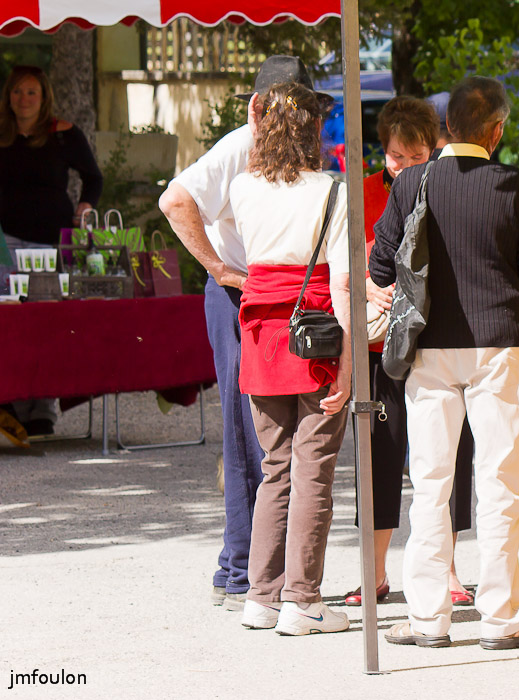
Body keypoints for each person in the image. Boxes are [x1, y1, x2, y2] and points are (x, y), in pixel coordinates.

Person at [369, 76, 519, 649]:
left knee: (430, 484)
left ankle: (427, 620)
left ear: (445, 127)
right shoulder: (512, 184)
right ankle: (503, 620)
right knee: (500, 485)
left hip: (429, 349)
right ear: (496, 131)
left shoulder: (413, 181)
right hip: (496, 345)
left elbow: (380, 266)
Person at [159, 55, 314, 612]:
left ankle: (252, 567)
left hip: (279, 297)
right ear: (257, 108)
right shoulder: (237, 146)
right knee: (249, 429)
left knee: (272, 432)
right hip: (239, 296)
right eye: (281, 107)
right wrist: (220, 269)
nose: (290, 118)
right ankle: (240, 568)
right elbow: (175, 200)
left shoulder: (296, 151)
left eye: (298, 108)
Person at [230, 80, 351, 635]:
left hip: (261, 336)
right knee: (313, 470)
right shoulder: (331, 191)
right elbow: (342, 284)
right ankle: (302, 600)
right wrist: (348, 365)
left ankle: (262, 596)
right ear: (314, 131)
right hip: (316, 337)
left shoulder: (242, 188)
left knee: (275, 468)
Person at [349, 95, 476, 608]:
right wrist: (366, 284)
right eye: (395, 156)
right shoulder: (363, 193)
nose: (403, 166)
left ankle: (449, 568)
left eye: (415, 156)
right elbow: (347, 261)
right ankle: (375, 570)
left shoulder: (449, 185)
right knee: (379, 453)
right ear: (382, 151)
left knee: (449, 454)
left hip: (439, 338)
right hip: (382, 341)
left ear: (435, 148)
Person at [0, 65, 103, 436]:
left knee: (43, 324)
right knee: (9, 322)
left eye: (31, 92)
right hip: (6, 242)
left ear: (44, 97)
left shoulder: (63, 134)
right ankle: (9, 402)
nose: (23, 99)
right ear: (8, 96)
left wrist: (86, 205)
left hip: (50, 243)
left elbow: (93, 177)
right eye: (17, 91)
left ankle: (43, 409)